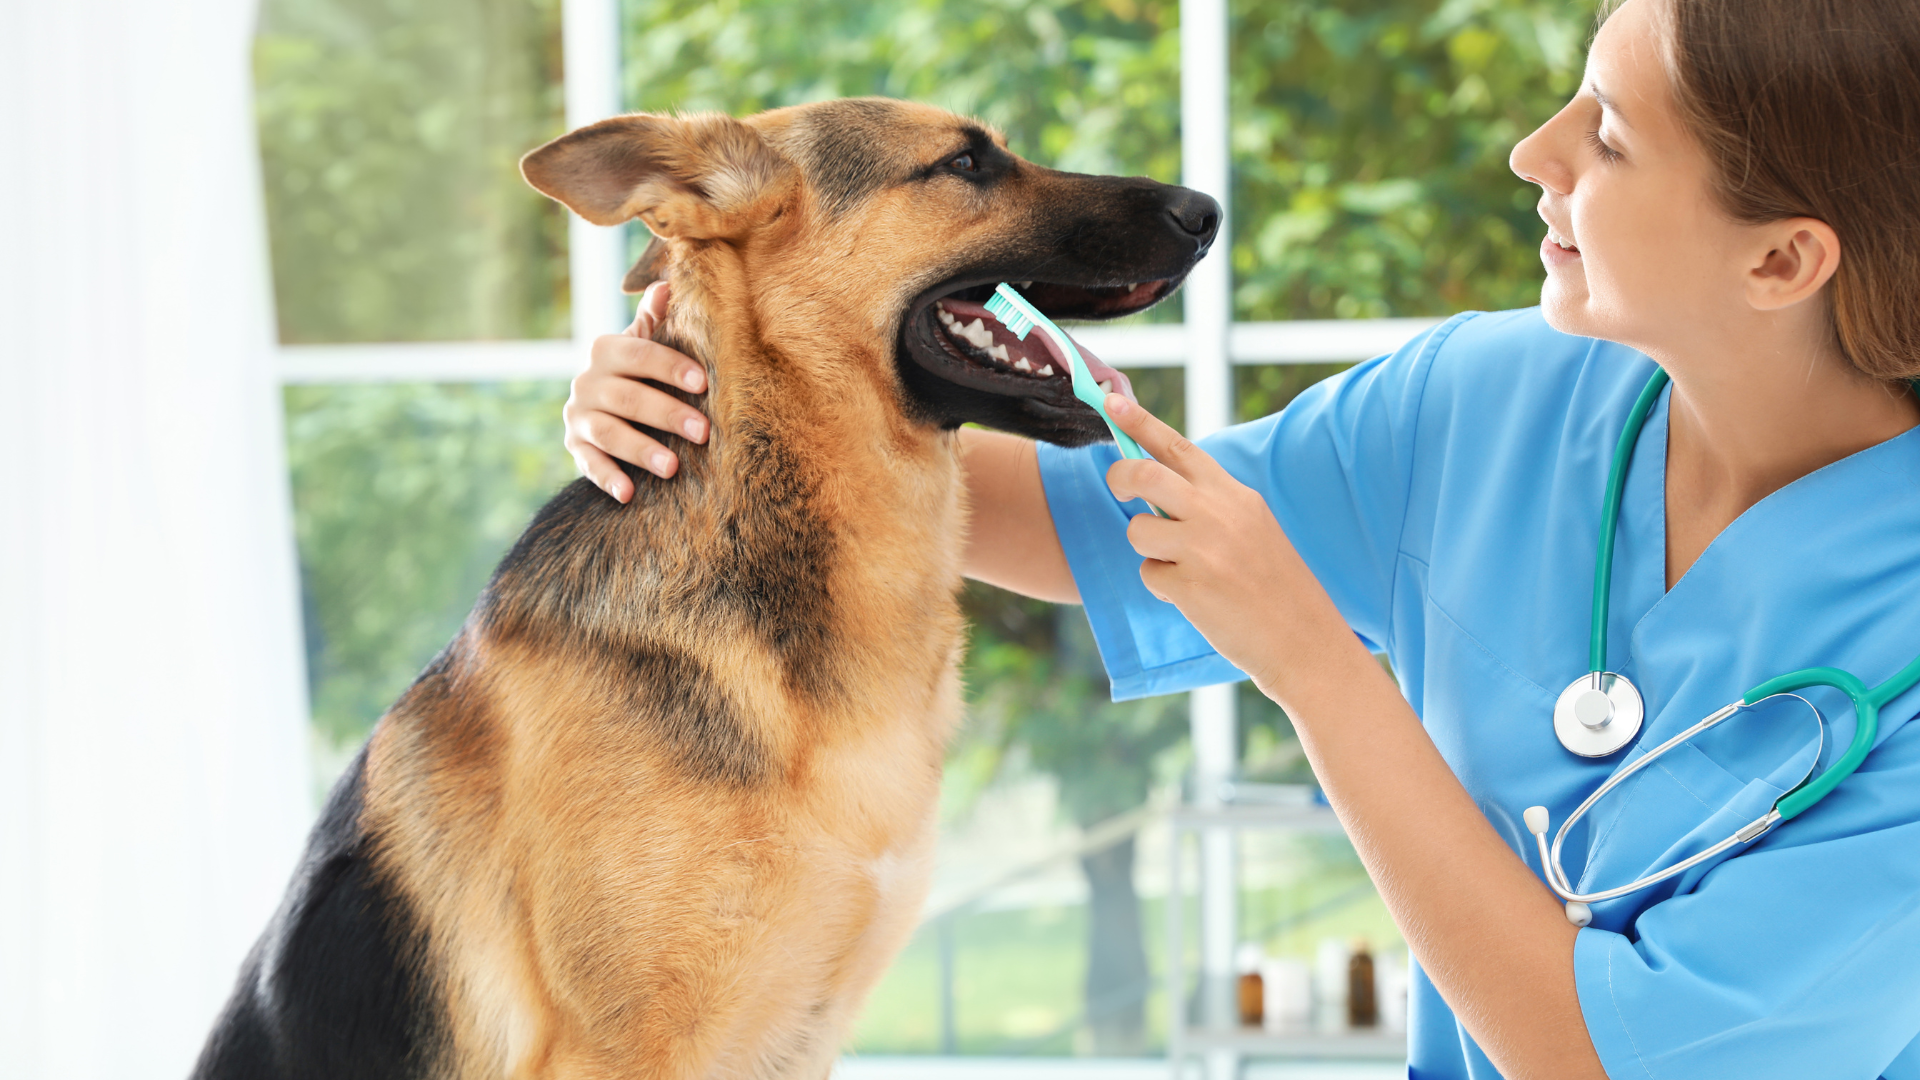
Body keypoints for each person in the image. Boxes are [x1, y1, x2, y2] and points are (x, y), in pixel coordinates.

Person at [559, 0, 1920, 1075]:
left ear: (1781, 262)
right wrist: (718, 397)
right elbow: (1088, 524)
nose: (1534, 152)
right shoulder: (1493, 402)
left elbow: (1599, 1060)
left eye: (1610, 136)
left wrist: (1317, 669)